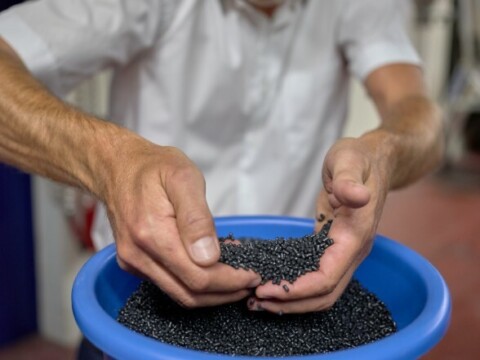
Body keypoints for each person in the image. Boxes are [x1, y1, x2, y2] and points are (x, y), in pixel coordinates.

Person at [0, 0, 444, 316]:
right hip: (137, 292)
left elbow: (421, 118)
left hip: (291, 299)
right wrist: (108, 160)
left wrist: (383, 152)